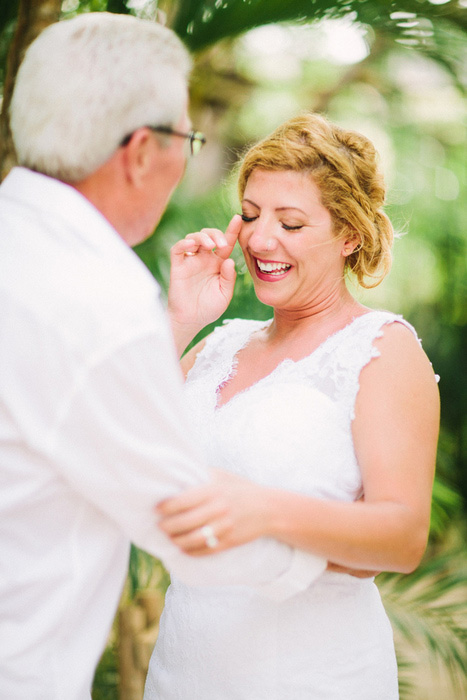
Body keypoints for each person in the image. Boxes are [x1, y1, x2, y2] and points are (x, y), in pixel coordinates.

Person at [0, 15, 327, 700]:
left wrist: (173, 322)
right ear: (141, 151)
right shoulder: (97, 300)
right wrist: (326, 555)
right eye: (188, 136)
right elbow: (185, 524)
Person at [144, 113, 440, 699]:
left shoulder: (381, 349)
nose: (258, 239)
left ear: (349, 234)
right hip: (185, 667)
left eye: (292, 222)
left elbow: (403, 536)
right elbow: (119, 440)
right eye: (251, 215)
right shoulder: (217, 346)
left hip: (312, 675)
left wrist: (259, 510)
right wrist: (180, 319)